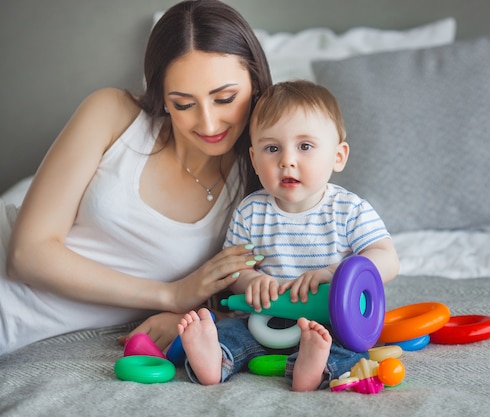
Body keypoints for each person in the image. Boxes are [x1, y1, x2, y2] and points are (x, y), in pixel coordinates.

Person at [0, 0, 273, 356]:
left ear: (254, 82)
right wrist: (170, 295)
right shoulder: (113, 114)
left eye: (225, 98)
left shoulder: (261, 177)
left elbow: (266, 289)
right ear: (162, 95)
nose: (208, 123)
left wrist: (199, 314)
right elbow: (26, 254)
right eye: (184, 104)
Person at [177, 80, 400, 391]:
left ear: (338, 156)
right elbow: (234, 267)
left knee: (347, 346)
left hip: (325, 321)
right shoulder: (251, 211)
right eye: (272, 148)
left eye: (305, 146)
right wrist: (251, 282)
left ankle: (312, 364)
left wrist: (332, 274)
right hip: (264, 319)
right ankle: (214, 359)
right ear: (255, 160)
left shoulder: (349, 210)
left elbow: (386, 258)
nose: (287, 160)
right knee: (231, 331)